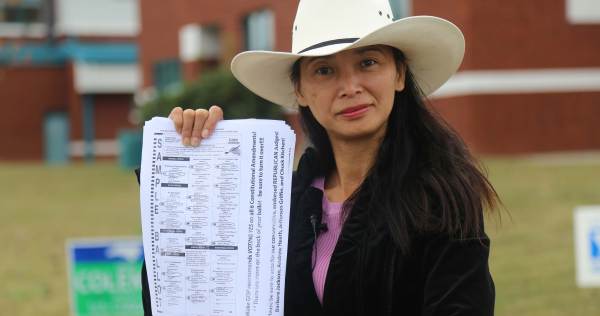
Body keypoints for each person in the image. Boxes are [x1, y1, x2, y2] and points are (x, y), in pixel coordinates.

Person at [140, 0, 499, 315]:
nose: (350, 87)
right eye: (325, 70)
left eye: (368, 62)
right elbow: (181, 298)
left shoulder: (440, 200)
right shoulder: (275, 203)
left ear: (399, 74)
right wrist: (192, 169)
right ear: (300, 91)